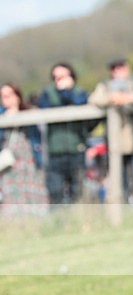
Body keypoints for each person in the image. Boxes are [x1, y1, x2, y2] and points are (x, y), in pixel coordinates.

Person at [88, 58, 133, 203]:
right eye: (114, 69)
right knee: (120, 180)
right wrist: (112, 98)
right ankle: (123, 209)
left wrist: (128, 98)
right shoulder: (105, 85)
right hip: (115, 142)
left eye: (120, 68)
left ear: (127, 68)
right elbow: (94, 99)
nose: (117, 71)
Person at [37, 62, 96, 204]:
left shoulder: (80, 92)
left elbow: (80, 103)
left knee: (78, 191)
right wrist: (60, 92)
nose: (59, 81)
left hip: (77, 149)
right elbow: (44, 107)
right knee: (55, 192)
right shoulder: (47, 93)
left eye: (63, 77)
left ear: (72, 77)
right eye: (56, 78)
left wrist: (66, 92)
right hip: (55, 152)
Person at [0, 82, 48, 216]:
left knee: (32, 191)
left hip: (29, 159)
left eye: (9, 95)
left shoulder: (29, 112)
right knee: (11, 192)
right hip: (9, 161)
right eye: (3, 96)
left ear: (17, 96)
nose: (6, 99)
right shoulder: (2, 115)